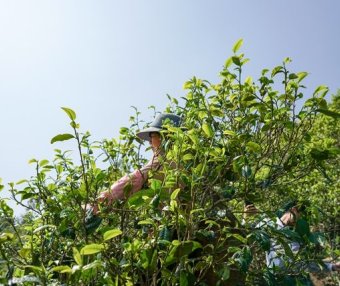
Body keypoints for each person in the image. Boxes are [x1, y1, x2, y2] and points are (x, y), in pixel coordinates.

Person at [95, 113, 181, 209]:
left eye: (152, 136)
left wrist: (106, 196)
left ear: (163, 136)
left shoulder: (162, 158)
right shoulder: (183, 158)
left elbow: (136, 178)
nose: (149, 142)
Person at [244, 201, 340, 283]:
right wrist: (246, 219)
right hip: (275, 280)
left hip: (294, 280)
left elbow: (302, 263)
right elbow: (245, 236)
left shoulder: (295, 234)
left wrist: (331, 266)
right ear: (293, 210)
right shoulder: (268, 223)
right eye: (300, 215)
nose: (299, 219)